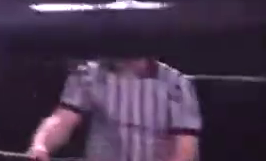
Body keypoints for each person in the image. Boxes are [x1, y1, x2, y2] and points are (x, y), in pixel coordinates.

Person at [27, 59, 202, 161]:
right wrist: (41, 145)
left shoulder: (176, 83)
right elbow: (63, 119)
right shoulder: (90, 75)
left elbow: (185, 148)